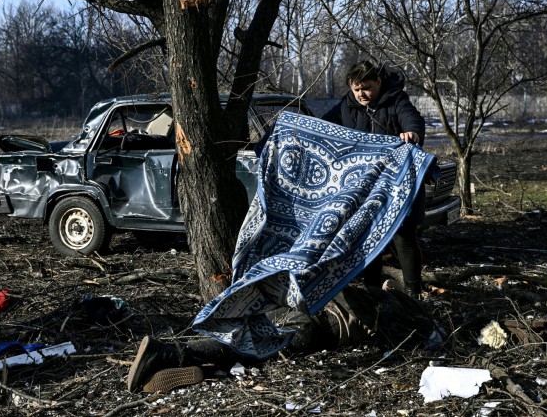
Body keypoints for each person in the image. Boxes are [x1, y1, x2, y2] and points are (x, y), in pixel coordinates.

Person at [127, 283, 438, 393]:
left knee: (246, 339)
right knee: (251, 350)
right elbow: (405, 340)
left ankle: (192, 364)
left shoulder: (370, 293)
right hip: (320, 327)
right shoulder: (396, 315)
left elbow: (384, 283)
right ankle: (170, 355)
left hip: (302, 304)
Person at [321, 61, 426, 298]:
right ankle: (372, 292)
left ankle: (414, 292)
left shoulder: (396, 99)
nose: (361, 94)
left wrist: (412, 133)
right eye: (356, 89)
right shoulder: (346, 106)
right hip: (364, 185)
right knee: (368, 236)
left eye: (366, 88)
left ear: (378, 82)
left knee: (403, 235)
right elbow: (323, 126)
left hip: (397, 182)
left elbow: (413, 120)